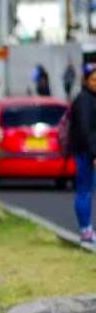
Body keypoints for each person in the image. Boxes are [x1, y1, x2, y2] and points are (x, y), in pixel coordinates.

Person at [67, 63, 96, 244]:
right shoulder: (85, 100)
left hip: (88, 152)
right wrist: (94, 154)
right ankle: (85, 230)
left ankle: (87, 229)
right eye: (93, 79)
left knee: (87, 191)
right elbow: (86, 131)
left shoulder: (90, 98)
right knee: (84, 191)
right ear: (85, 80)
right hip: (86, 153)